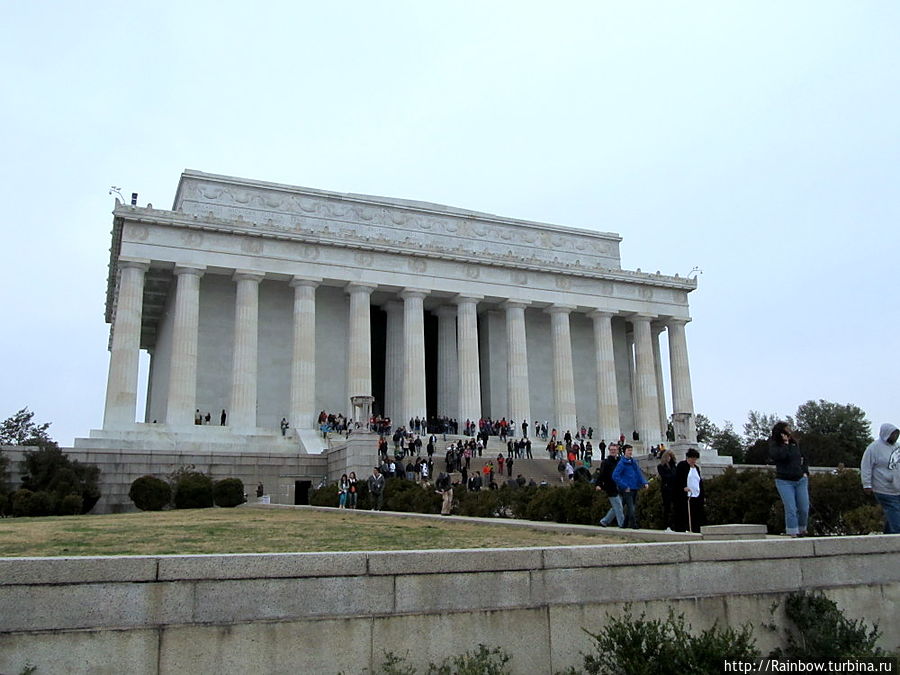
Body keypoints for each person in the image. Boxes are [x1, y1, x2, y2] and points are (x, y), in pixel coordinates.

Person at [769, 421, 809, 537]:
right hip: (784, 481)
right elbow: (780, 457)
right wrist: (785, 444)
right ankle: (792, 531)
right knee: (791, 508)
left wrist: (805, 471)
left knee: (804, 507)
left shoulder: (795, 444)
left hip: (800, 479)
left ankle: (802, 529)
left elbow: (803, 458)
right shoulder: (775, 445)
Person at [860, 423, 900, 534]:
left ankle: (887, 538)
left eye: (897, 434)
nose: (895, 436)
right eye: (893, 434)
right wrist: (866, 484)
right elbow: (866, 467)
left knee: (892, 515)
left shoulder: (897, 447)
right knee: (896, 516)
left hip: (897, 488)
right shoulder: (873, 448)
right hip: (883, 488)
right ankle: (896, 539)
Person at [612, 444, 648, 528]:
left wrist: (644, 482)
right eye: (628, 450)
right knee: (631, 507)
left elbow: (638, 473)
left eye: (631, 450)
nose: (630, 452)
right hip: (627, 489)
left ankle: (624, 524)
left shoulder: (633, 462)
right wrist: (624, 486)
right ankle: (634, 524)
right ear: (624, 452)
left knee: (630, 506)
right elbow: (615, 475)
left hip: (635, 487)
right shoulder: (621, 463)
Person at [673, 448, 704, 533]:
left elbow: (699, 480)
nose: (694, 461)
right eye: (692, 458)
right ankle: (684, 529)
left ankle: (695, 529)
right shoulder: (682, 465)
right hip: (686, 495)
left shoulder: (696, 468)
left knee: (696, 514)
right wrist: (683, 487)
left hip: (696, 494)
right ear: (688, 457)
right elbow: (677, 479)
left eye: (695, 459)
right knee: (685, 513)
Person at [597, 443, 624, 527]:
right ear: (609, 451)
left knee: (616, 507)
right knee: (619, 506)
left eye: (614, 450)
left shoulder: (621, 461)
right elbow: (601, 475)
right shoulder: (606, 462)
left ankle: (604, 521)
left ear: (617, 451)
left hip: (620, 487)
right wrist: (598, 484)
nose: (613, 451)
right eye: (611, 450)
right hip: (610, 487)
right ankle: (622, 524)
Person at [657, 450, 678, 531]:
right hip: (666, 489)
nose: (669, 458)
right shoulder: (660, 466)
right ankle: (666, 525)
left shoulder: (674, 466)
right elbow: (665, 476)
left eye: (670, 456)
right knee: (667, 508)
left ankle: (675, 525)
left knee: (675, 508)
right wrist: (672, 476)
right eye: (667, 456)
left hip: (674, 489)